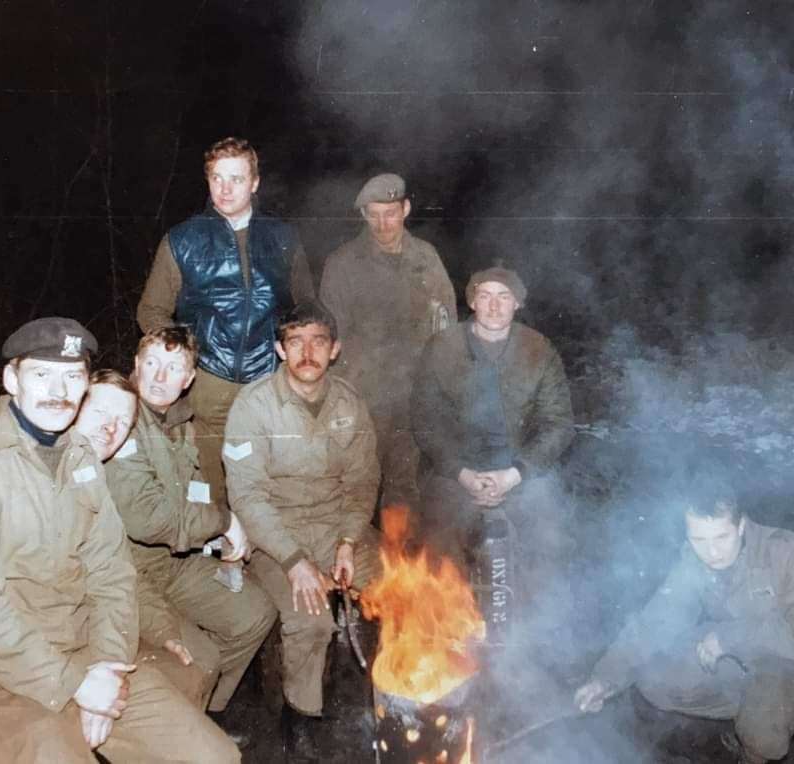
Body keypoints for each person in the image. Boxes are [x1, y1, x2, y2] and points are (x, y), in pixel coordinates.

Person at [0, 317, 238, 763]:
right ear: (11, 379)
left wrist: (105, 668)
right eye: (41, 374)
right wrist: (76, 685)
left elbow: (112, 572)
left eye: (72, 376)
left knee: (214, 758)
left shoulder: (81, 457)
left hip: (88, 651)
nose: (58, 390)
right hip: (2, 673)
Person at [0, 370, 221, 724]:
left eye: (122, 422)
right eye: (98, 413)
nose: (110, 429)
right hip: (4, 648)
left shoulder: (94, 469)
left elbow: (114, 571)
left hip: (72, 629)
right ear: (73, 408)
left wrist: (161, 629)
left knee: (189, 670)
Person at [574, 480, 794, 763]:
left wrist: (729, 638)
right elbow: (655, 621)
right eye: (699, 540)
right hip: (742, 657)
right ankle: (750, 710)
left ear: (742, 526)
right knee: (653, 678)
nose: (712, 553)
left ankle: (755, 742)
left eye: (722, 538)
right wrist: (605, 679)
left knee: (762, 732)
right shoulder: (694, 563)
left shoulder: (787, 552)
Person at [223, 301, 381, 761]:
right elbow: (247, 497)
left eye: (318, 341)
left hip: (338, 527)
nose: (307, 352)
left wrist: (349, 540)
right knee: (311, 620)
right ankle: (300, 723)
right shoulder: (252, 406)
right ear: (279, 349)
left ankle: (391, 698)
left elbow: (362, 481)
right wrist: (295, 562)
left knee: (405, 587)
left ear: (335, 350)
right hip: (276, 535)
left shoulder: (350, 402)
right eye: (295, 341)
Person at [105, 326, 277, 730]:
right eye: (152, 364)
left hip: (177, 561)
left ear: (189, 379)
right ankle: (174, 727)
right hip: (132, 571)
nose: (160, 378)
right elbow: (147, 518)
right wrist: (224, 521)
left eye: (174, 367)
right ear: (135, 366)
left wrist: (217, 542)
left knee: (255, 612)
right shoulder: (118, 420)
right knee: (202, 660)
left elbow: (194, 490)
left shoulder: (180, 420)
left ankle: (206, 714)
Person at [137, 136, 315, 507]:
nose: (225, 188)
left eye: (236, 178)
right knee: (208, 480)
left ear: (254, 182)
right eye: (217, 178)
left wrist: (297, 359)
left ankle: (269, 555)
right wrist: (188, 356)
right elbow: (151, 312)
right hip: (209, 382)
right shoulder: (182, 240)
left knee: (270, 474)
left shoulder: (283, 237)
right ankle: (216, 553)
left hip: (269, 378)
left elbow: (306, 308)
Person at [410, 267, 574, 613]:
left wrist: (515, 474)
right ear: (472, 302)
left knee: (548, 537)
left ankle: (529, 636)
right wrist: (463, 474)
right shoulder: (442, 348)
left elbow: (558, 425)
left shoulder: (538, 350)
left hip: (521, 472)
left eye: (504, 297)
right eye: (485, 296)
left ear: (517, 303)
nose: (494, 306)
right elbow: (426, 423)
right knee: (437, 543)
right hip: (457, 473)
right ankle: (454, 633)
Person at [319, 173, 456, 507]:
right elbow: (327, 337)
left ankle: (398, 556)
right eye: (373, 214)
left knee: (404, 489)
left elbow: (447, 327)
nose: (382, 223)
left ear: (406, 208)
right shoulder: (343, 263)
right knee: (354, 488)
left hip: (413, 398)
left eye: (390, 212)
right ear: (364, 215)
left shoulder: (426, 258)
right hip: (362, 398)